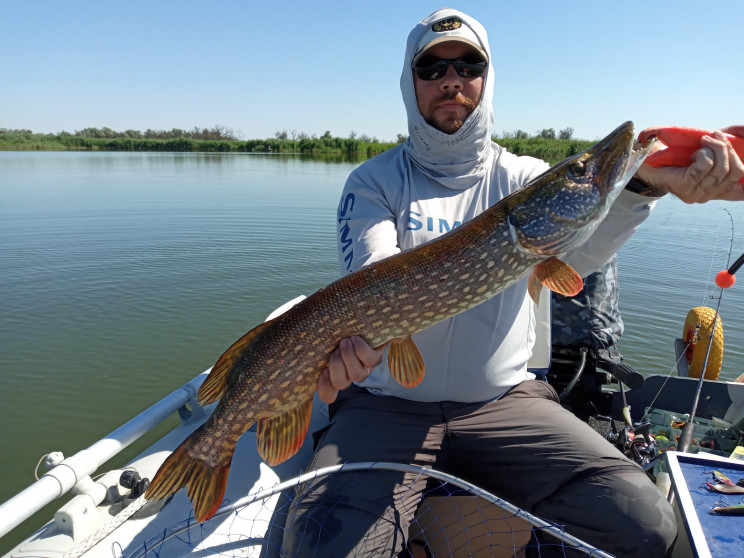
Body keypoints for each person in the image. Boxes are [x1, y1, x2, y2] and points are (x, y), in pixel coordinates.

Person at [281, 8, 744, 558]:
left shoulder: (523, 178)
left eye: (468, 65)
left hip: (505, 401)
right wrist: (350, 344)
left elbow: (585, 249)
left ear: (486, 77)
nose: (451, 79)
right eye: (431, 68)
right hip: (387, 405)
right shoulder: (374, 182)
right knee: (320, 548)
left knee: (643, 523)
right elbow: (372, 278)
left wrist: (642, 184)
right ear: (411, 84)